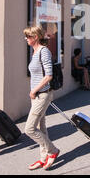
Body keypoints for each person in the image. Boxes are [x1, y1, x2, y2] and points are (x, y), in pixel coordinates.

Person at [24, 26, 60, 170]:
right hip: (36, 95)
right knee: (41, 128)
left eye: (28, 37)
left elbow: (48, 76)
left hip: (42, 94)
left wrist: (34, 90)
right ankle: (43, 158)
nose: (26, 39)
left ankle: (53, 151)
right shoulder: (35, 52)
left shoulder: (44, 52)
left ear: (35, 37)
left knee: (29, 129)